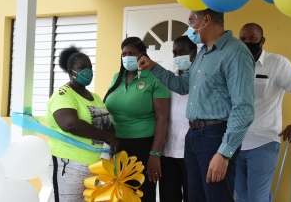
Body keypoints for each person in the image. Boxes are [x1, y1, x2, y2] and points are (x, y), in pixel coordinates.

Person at [138, 8, 255, 202]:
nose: (189, 27)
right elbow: (183, 86)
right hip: (194, 136)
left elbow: (243, 108)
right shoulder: (203, 53)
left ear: (206, 20)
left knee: (216, 197)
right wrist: (153, 67)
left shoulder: (235, 52)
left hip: (215, 135)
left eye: (191, 20)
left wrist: (224, 153)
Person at [234, 23, 291, 202]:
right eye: (243, 39)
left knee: (257, 198)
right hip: (233, 142)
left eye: (252, 38)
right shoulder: (233, 64)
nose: (247, 42)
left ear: (262, 40)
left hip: (263, 141)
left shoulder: (277, 63)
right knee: (241, 196)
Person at [46, 46, 119, 202]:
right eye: (82, 68)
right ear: (70, 70)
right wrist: (107, 136)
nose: (88, 71)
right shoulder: (63, 94)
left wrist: (113, 138)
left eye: (90, 67)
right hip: (68, 163)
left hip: (95, 165)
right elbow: (70, 124)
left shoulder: (94, 97)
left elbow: (106, 121)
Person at [103, 37, 170, 202]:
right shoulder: (116, 78)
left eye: (131, 53)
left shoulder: (155, 78)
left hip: (143, 145)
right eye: (124, 53)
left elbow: (163, 118)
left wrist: (155, 154)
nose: (127, 57)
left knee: (142, 194)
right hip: (117, 146)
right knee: (118, 193)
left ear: (142, 55)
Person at [159, 35, 197, 202]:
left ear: (193, 53)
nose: (178, 56)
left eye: (183, 52)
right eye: (175, 53)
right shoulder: (167, 80)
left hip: (191, 152)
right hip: (167, 152)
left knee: (193, 196)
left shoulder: (201, 80)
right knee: (168, 197)